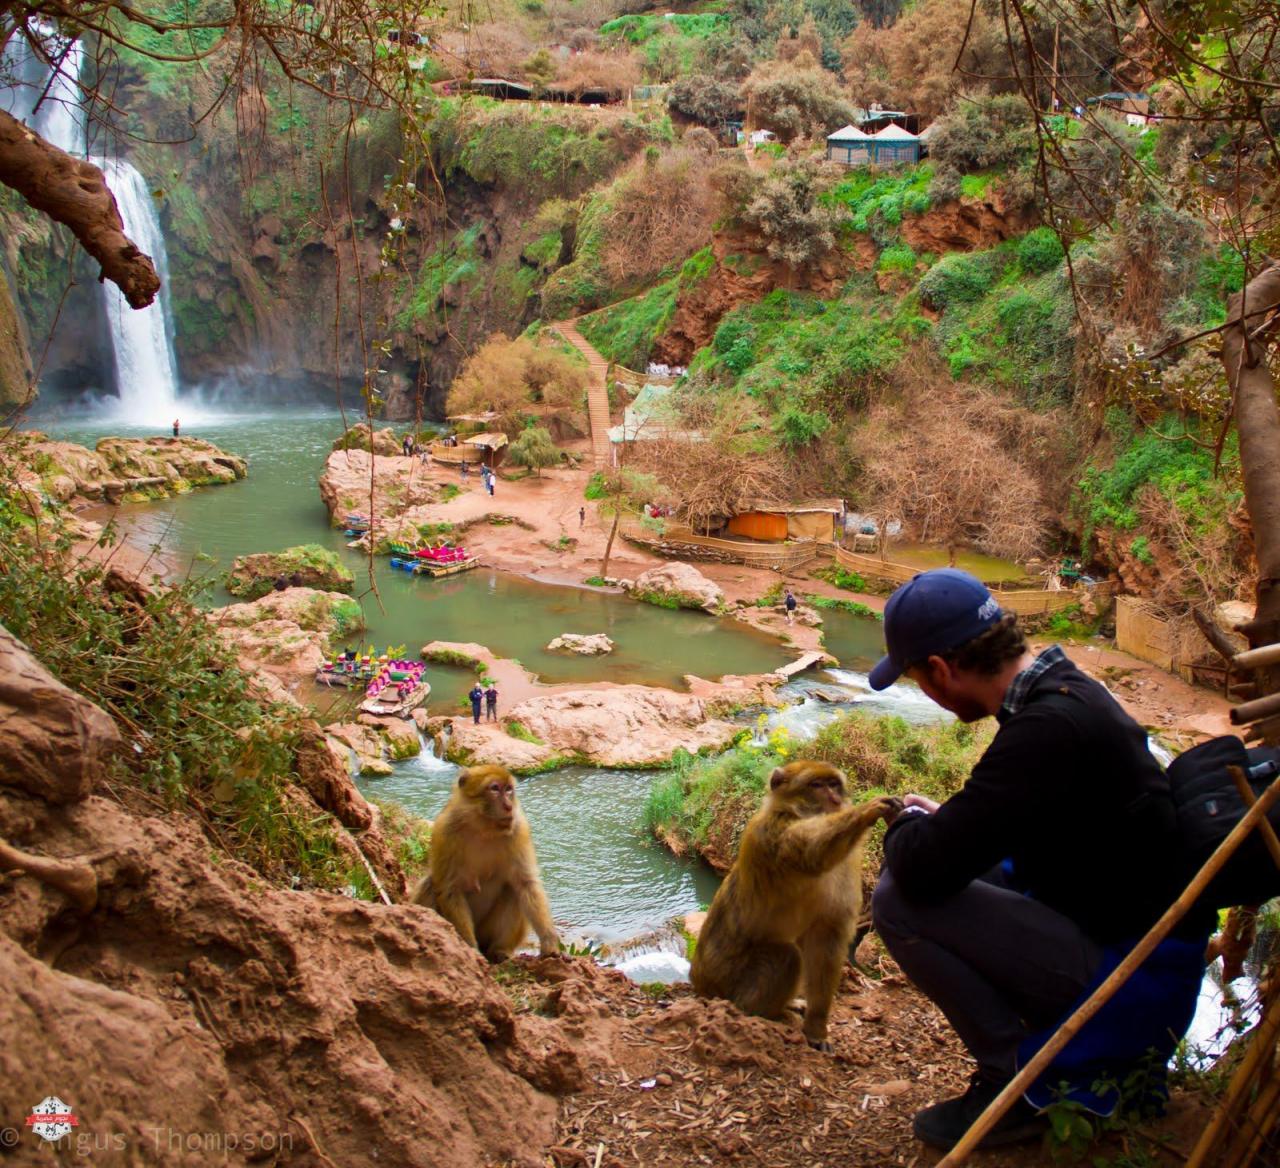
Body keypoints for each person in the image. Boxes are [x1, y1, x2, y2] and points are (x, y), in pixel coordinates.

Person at [867, 569, 1208, 1152]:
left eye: (918, 676)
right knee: (962, 863)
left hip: (1129, 976)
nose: (925, 690)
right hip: (1132, 939)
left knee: (898, 900)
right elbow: (1018, 817)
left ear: (942, 671)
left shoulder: (1044, 731)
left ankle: (1020, 1084)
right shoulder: (1071, 690)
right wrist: (950, 822)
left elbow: (922, 866)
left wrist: (905, 826)